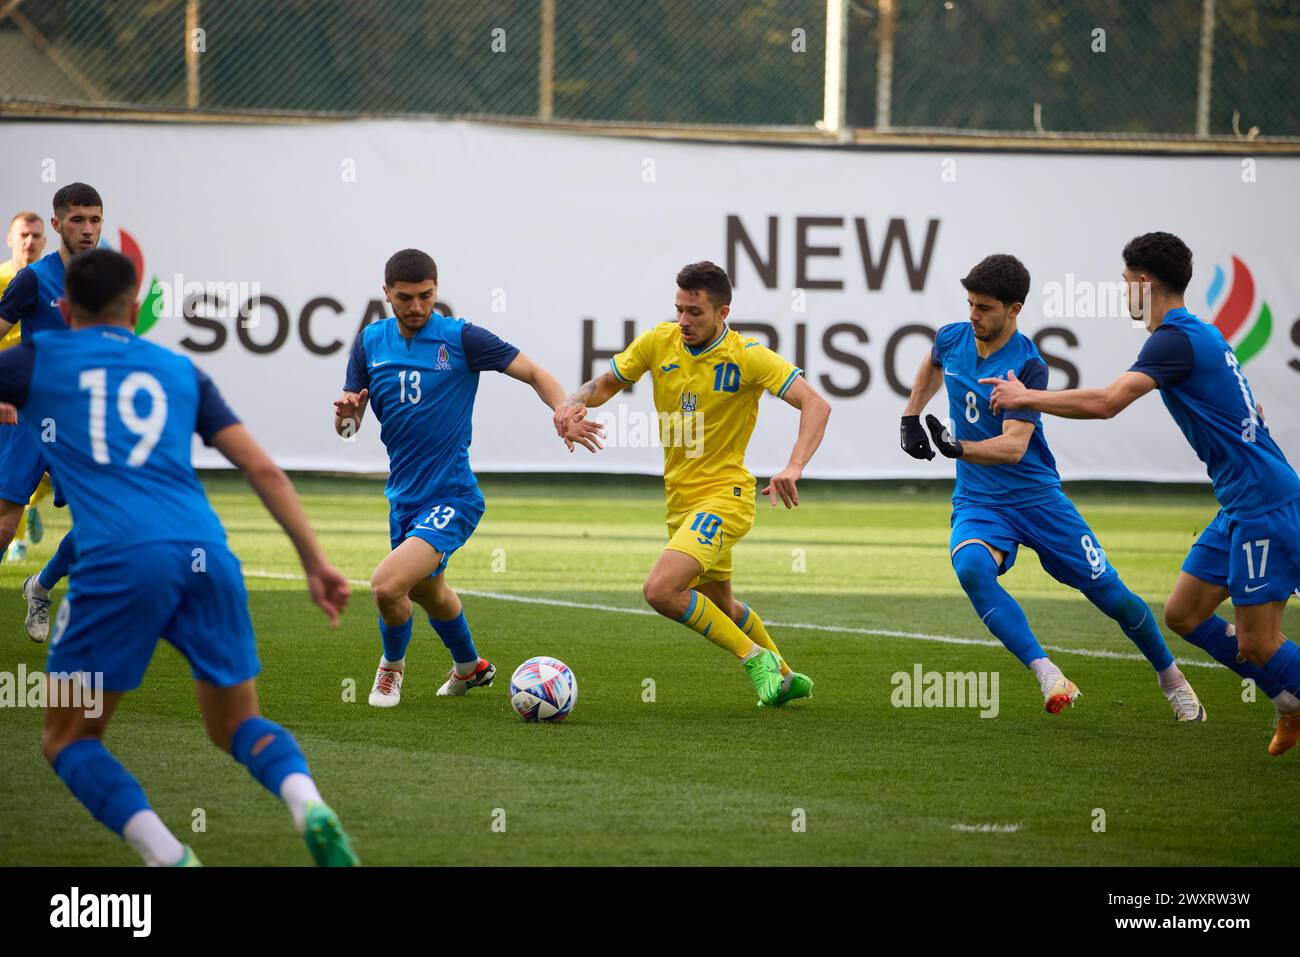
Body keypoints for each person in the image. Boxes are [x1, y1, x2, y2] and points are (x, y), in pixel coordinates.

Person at [0, 247, 358, 865]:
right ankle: (308, 803)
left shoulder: (33, 361)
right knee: (237, 726)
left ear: (61, 307)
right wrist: (315, 562)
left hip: (117, 564)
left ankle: (170, 857)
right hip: (206, 554)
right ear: (136, 310)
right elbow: (262, 468)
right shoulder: (178, 369)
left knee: (68, 739)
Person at [985, 232, 1300, 753]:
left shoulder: (1173, 338)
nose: (1123, 291)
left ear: (1145, 281)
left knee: (1258, 641)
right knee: (1184, 613)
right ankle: (1288, 701)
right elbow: (1253, 412)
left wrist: (1026, 396)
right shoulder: (1198, 334)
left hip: (1265, 505)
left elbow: (1108, 402)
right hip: (1245, 503)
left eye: (1126, 282)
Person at [901, 253, 1202, 718]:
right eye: (970, 304)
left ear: (1014, 308)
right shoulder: (952, 337)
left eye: (984, 308)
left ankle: (1171, 677)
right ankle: (1047, 673)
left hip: (1037, 498)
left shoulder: (1028, 365)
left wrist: (957, 447)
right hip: (980, 500)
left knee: (1113, 597)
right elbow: (932, 362)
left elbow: (1013, 447)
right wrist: (910, 415)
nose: (973, 315)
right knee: (972, 570)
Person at [553, 261, 831, 707]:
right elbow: (604, 384)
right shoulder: (658, 341)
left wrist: (794, 466)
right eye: (679, 309)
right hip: (680, 500)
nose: (683, 320)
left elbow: (816, 405)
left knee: (660, 590)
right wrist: (571, 404)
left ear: (723, 313)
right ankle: (785, 676)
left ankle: (753, 657)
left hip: (727, 496)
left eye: (695, 312)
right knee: (722, 605)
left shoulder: (748, 355)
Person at [334, 248, 595, 708]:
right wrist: (349, 418)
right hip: (404, 499)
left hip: (453, 495)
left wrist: (562, 409)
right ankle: (471, 667)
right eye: (405, 298)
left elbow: (534, 372)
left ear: (437, 289)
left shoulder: (461, 338)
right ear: (386, 295)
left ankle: (390, 670)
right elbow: (347, 428)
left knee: (386, 585)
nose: (417, 307)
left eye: (426, 296)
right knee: (427, 592)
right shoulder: (369, 343)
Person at [0, 185, 103, 640]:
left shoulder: (108, 280)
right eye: (77, 219)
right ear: (58, 225)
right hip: (26, 420)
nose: (87, 228)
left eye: (95, 219)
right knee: (4, 527)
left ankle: (39, 588)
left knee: (98, 528)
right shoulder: (32, 280)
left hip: (77, 425)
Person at [0, 210, 51, 563]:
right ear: (10, 239)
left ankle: (30, 508)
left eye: (36, 235)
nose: (30, 242)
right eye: (23, 235)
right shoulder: (6, 278)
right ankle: (14, 537)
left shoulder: (50, 280)